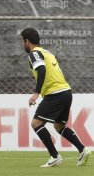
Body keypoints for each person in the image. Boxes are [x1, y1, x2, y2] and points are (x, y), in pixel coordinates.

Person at [20, 28, 91, 167]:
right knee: (59, 126)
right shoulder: (47, 53)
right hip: (66, 92)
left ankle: (55, 156)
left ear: (27, 41)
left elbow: (41, 70)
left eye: (23, 41)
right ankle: (83, 149)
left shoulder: (34, 54)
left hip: (55, 93)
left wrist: (36, 93)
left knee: (36, 124)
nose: (23, 44)